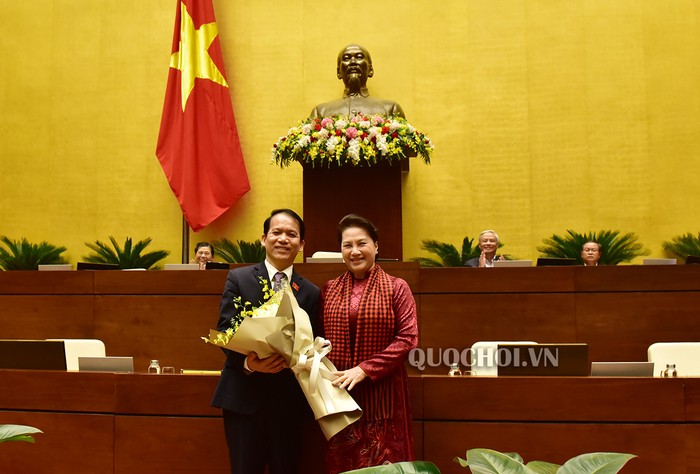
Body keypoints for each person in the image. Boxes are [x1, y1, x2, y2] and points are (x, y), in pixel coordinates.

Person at [211, 209, 320, 474]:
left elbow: (312, 340)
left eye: (291, 234)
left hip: (289, 404)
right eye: (277, 232)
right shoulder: (239, 278)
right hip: (243, 398)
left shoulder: (311, 291)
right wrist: (249, 363)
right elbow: (226, 329)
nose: (283, 239)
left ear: (301, 244)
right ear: (264, 238)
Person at [320, 214, 418, 473]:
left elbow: (408, 339)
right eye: (347, 245)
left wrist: (364, 369)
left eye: (362, 243)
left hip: (383, 395)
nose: (354, 251)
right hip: (340, 397)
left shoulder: (397, 287)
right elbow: (318, 339)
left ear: (376, 246)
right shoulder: (329, 289)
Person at [310, 44, 406, 118]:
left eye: (359, 57)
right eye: (346, 58)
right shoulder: (321, 112)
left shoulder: (390, 108)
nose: (352, 62)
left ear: (371, 70)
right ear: (338, 72)